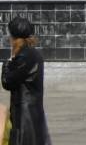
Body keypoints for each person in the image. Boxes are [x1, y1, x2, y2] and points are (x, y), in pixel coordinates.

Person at [2, 17, 51, 145]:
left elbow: (7, 82)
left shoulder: (24, 56)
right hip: (32, 112)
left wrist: (7, 64)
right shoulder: (33, 54)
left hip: (25, 115)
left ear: (14, 37)